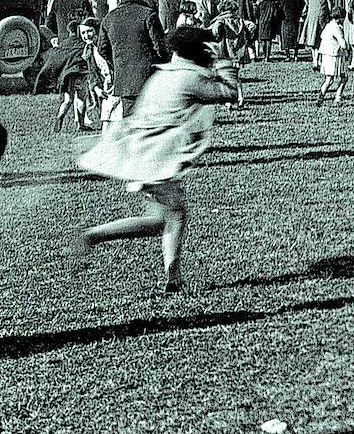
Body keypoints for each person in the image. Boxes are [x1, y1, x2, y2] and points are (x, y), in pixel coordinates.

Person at [73, 26, 241, 294]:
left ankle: (173, 279)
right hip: (156, 158)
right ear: (199, 52)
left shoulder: (164, 75)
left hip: (143, 153)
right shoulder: (189, 78)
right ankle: (93, 235)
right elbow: (230, 93)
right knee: (165, 219)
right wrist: (223, 59)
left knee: (170, 217)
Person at [97, 0, 168, 120]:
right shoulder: (148, 14)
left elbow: (102, 48)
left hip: (124, 76)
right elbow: (160, 47)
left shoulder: (109, 18)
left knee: (129, 120)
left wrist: (115, 63)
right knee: (151, 118)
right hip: (149, 76)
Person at [207, 0, 254, 109]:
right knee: (236, 77)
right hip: (238, 52)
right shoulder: (240, 20)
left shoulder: (221, 21)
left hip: (224, 52)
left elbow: (215, 31)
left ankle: (229, 100)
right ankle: (240, 98)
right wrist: (246, 37)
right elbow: (252, 26)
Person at [315, 7, 350, 106]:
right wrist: (348, 47)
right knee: (344, 77)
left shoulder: (328, 26)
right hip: (335, 55)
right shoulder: (337, 28)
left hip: (326, 55)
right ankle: (338, 97)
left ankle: (320, 97)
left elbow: (322, 37)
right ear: (339, 18)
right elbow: (343, 44)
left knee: (329, 80)